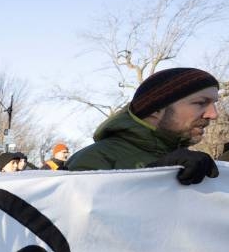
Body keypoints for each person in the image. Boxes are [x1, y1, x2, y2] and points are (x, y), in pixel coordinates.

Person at [66, 68, 219, 185]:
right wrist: (151, 176)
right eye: (200, 103)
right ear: (156, 110)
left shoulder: (187, 160)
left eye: (214, 104)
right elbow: (81, 219)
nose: (213, 114)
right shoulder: (93, 159)